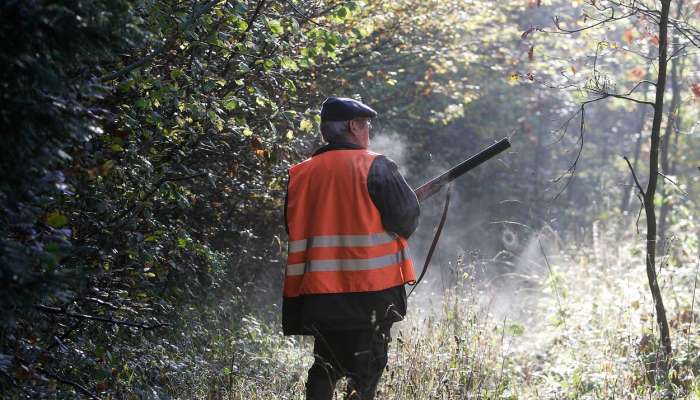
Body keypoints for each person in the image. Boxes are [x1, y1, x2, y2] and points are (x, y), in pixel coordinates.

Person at [283, 96, 420, 399]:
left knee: (325, 365)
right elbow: (407, 219)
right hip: (369, 295)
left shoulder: (300, 174)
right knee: (366, 371)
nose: (368, 132)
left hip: (319, 295)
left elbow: (293, 226)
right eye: (366, 125)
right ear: (353, 126)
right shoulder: (376, 166)